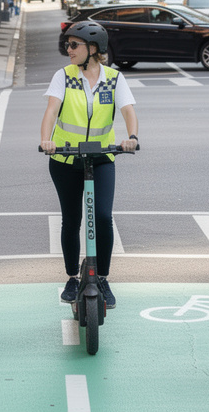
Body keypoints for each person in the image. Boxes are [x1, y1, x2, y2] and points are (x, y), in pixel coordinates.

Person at [39, 21, 138, 308]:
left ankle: (103, 278)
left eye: (74, 45)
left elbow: (128, 110)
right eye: (67, 45)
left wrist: (131, 137)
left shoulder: (114, 78)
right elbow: (51, 110)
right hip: (65, 158)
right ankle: (71, 277)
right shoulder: (64, 76)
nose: (68, 50)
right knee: (71, 220)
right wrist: (46, 139)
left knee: (103, 218)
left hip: (101, 157)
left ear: (93, 49)